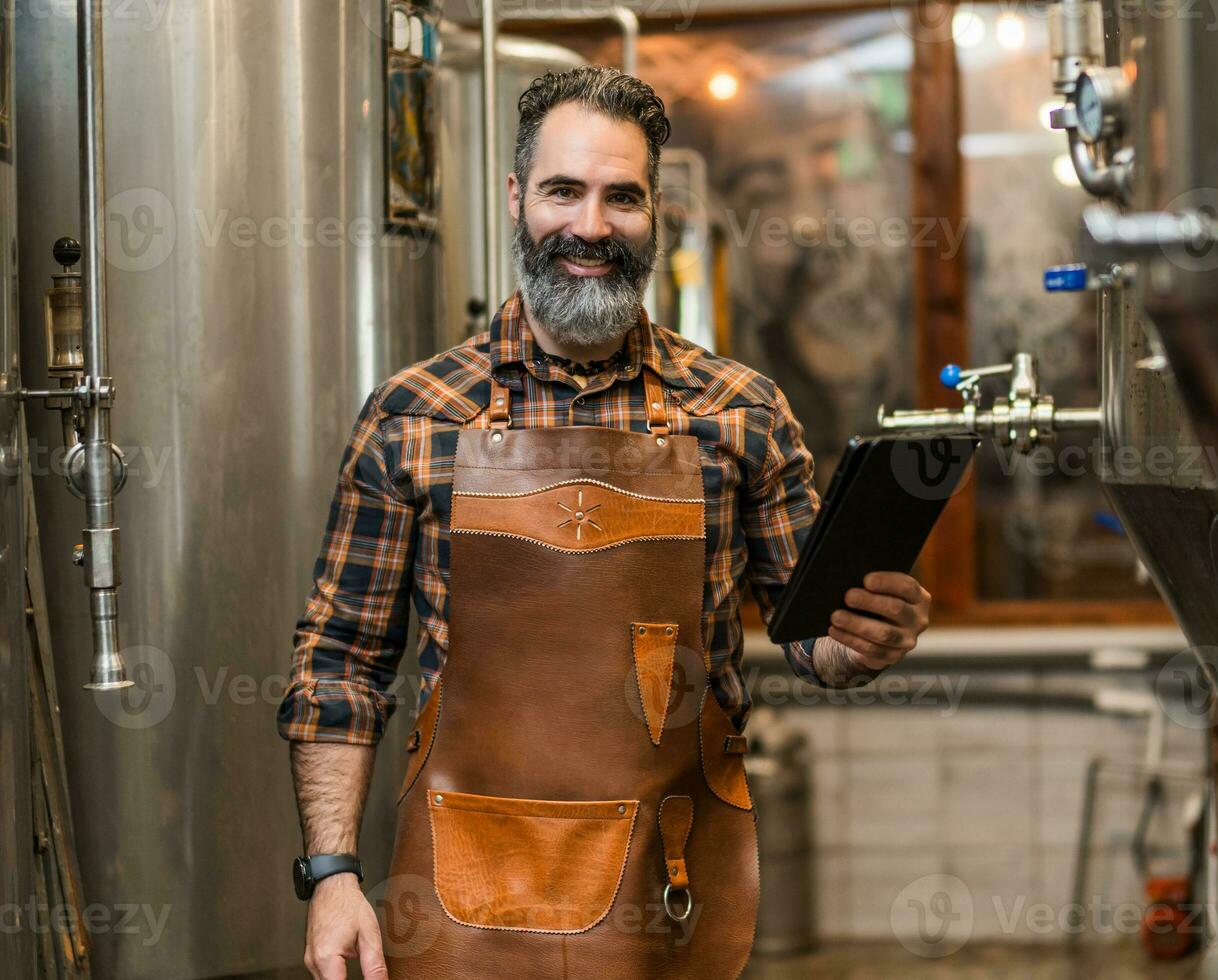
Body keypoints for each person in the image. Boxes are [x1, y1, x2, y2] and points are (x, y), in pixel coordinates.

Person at [278, 66, 933, 980]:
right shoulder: (415, 413)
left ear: (653, 211)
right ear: (515, 198)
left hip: (668, 887)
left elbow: (812, 637)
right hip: (463, 887)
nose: (590, 228)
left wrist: (864, 638)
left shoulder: (741, 411)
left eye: (620, 197)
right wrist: (333, 873)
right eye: (562, 191)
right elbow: (340, 662)